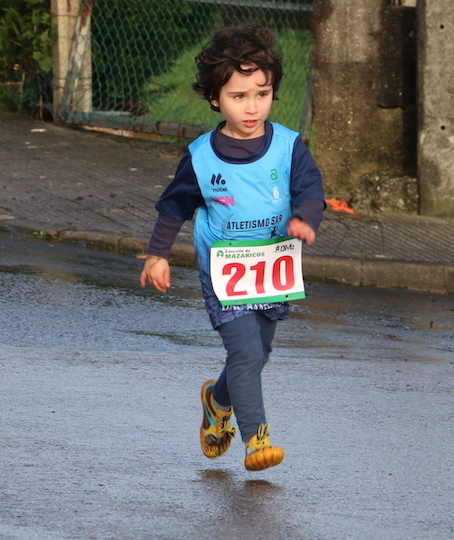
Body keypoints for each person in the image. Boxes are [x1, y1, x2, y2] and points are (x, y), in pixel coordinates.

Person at [139, 25, 325, 471]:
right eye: (239, 96)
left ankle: (216, 402)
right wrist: (157, 254)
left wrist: (305, 218)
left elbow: (311, 189)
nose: (252, 106)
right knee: (244, 353)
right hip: (223, 271)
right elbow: (174, 205)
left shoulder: (288, 146)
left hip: (273, 266)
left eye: (261, 94)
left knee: (258, 354)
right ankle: (256, 439)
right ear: (215, 99)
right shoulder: (201, 157)